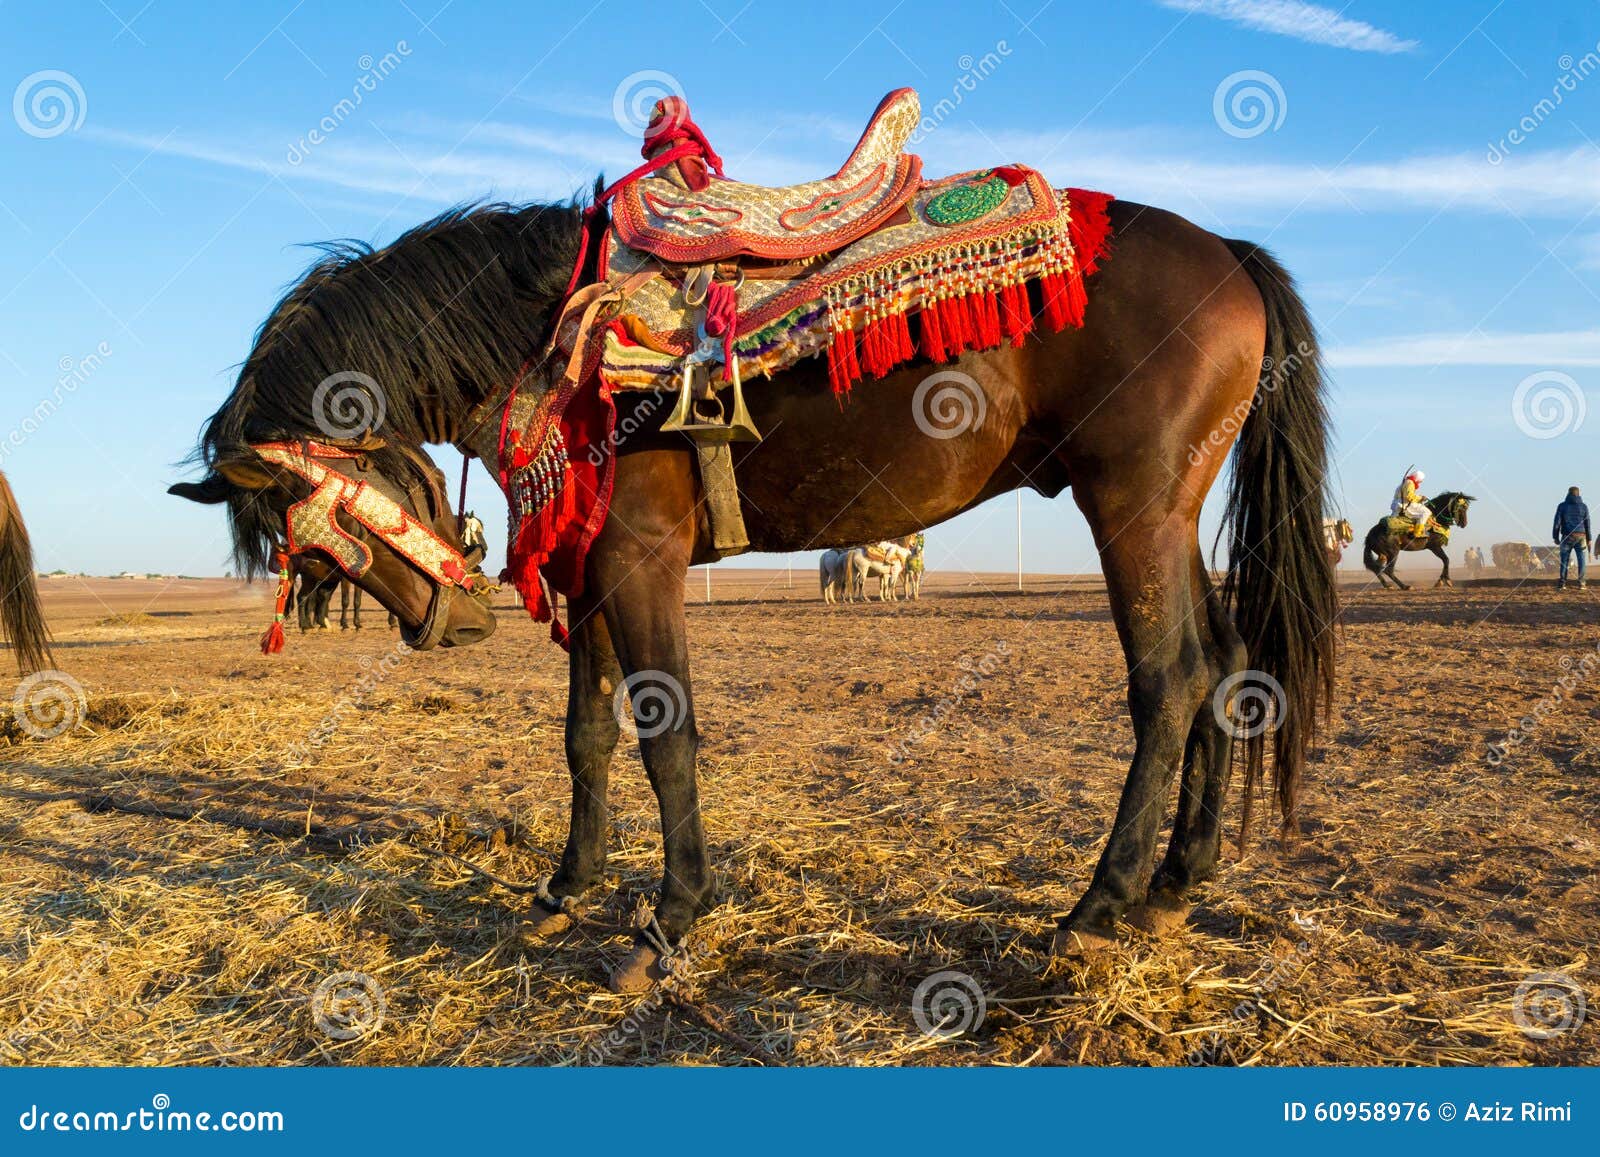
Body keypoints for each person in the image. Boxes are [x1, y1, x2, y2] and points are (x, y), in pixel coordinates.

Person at [1552, 485, 1590, 591]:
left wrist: (1555, 536)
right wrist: (1589, 538)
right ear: (1578, 494)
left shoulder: (1562, 506)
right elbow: (1587, 523)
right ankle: (1582, 584)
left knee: (1564, 560)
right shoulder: (1584, 506)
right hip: (1582, 536)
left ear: (1568, 494)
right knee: (1582, 560)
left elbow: (1557, 523)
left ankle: (1562, 584)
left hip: (1567, 536)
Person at [1391, 468, 1430, 538]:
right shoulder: (1410, 483)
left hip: (1397, 504)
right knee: (1427, 512)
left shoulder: (1405, 482)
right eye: (1420, 480)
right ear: (1418, 478)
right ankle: (1417, 533)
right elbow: (1409, 497)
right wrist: (1421, 498)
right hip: (1404, 505)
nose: (1420, 482)